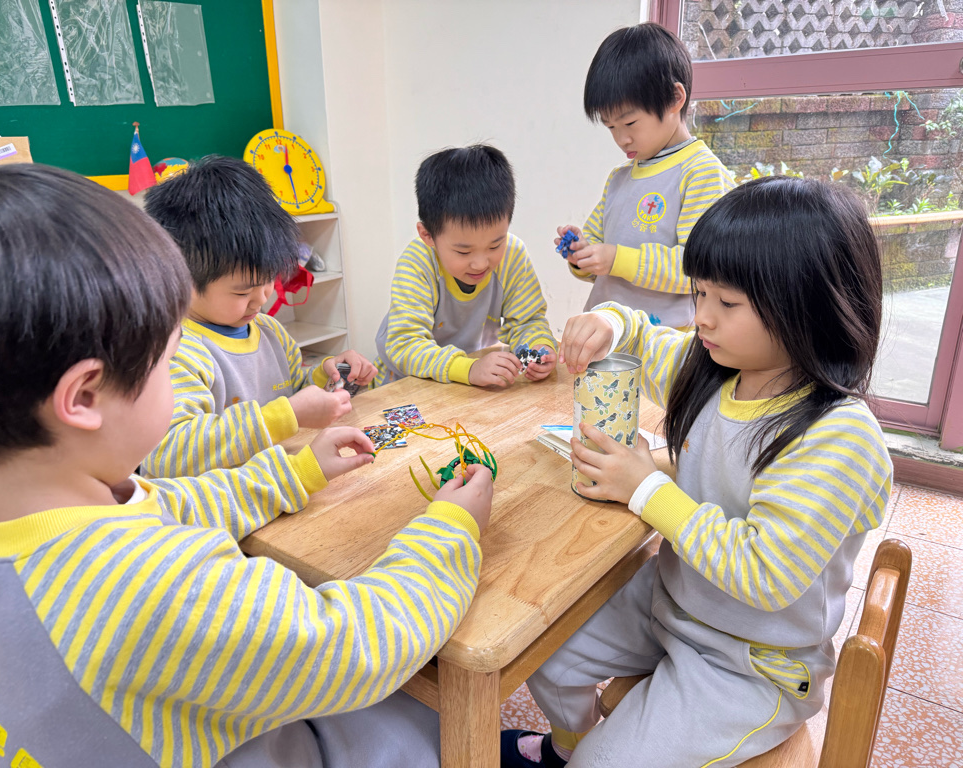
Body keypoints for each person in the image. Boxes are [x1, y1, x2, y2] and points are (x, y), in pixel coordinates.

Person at [0, 164, 494, 768]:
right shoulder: (152, 587)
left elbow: (168, 506)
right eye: (167, 361)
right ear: (84, 397)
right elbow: (355, 647)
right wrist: (449, 529)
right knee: (415, 724)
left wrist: (296, 472)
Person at [503, 176, 892, 767]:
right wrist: (608, 321)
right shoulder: (715, 366)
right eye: (699, 292)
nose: (702, 317)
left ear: (809, 305)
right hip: (673, 604)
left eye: (727, 303)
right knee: (543, 655)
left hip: (752, 664)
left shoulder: (839, 436)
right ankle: (567, 748)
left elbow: (765, 573)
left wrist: (646, 488)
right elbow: (641, 336)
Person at [141, 155, 377, 478]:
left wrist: (326, 377)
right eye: (242, 292)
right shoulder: (175, 353)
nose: (263, 298)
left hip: (277, 485)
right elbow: (169, 455)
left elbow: (292, 393)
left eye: (269, 281)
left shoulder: (269, 331)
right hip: (214, 504)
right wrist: (287, 415)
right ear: (180, 280)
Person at [557, 22, 734, 327]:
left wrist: (616, 259)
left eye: (630, 123)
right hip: (605, 332)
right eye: (611, 127)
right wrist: (581, 254)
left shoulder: (701, 173)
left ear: (675, 98)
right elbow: (598, 251)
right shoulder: (618, 179)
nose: (621, 139)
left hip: (664, 341)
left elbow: (697, 270)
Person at [374, 144, 558, 387]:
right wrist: (467, 369)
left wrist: (538, 348)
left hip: (469, 381)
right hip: (407, 383)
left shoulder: (513, 254)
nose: (481, 263)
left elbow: (527, 321)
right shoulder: (418, 262)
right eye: (463, 251)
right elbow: (405, 345)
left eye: (495, 245)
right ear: (428, 235)